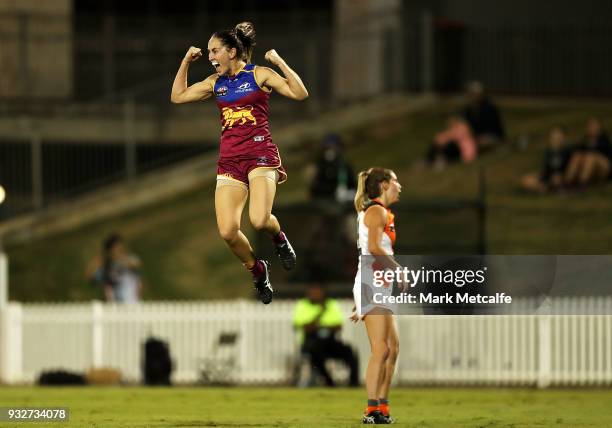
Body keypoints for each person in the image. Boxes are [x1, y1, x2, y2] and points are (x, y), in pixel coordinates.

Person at [170, 22, 308, 304]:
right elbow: (178, 96)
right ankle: (258, 270)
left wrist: (279, 61)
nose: (210, 57)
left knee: (258, 220)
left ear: (232, 51)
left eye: (215, 51)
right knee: (227, 232)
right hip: (230, 161)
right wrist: (185, 61)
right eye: (209, 52)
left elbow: (299, 92)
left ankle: (278, 237)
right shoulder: (214, 83)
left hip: (260, 156)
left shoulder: (259, 74)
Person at [351, 167, 403, 424]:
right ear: (383, 185)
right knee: (381, 349)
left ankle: (382, 406)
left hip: (376, 284)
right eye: (395, 181)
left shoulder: (379, 212)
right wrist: (398, 269)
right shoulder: (376, 211)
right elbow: (372, 248)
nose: (399, 186)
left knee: (392, 349)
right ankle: (372, 409)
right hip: (373, 283)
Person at [293, 283, 359, 387]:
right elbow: (304, 327)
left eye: (318, 293)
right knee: (316, 352)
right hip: (311, 342)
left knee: (349, 351)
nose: (316, 295)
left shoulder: (331, 304)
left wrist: (317, 326)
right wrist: (320, 314)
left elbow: (338, 326)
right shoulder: (302, 305)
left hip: (330, 342)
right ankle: (329, 382)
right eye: (313, 293)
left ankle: (353, 383)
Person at [86, 233, 142, 303]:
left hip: (133, 303)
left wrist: (115, 258)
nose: (118, 249)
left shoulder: (129, 259)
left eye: (119, 246)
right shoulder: (106, 268)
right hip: (115, 307)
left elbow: (135, 263)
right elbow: (89, 276)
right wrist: (99, 261)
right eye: (115, 247)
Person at [521, 126, 571, 193]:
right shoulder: (548, 152)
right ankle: (545, 188)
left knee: (556, 179)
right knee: (526, 180)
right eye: (553, 138)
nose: (556, 140)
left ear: (563, 139)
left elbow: (569, 168)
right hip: (547, 176)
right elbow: (545, 169)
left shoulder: (566, 151)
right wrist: (540, 176)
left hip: (559, 177)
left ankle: (547, 188)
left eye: (558, 138)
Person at [564, 117, 611, 187]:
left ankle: (582, 183)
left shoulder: (604, 140)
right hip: (588, 168)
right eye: (590, 126)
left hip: (603, 169)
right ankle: (567, 182)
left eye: (595, 126)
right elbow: (574, 152)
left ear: (600, 128)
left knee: (591, 157)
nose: (593, 128)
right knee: (577, 156)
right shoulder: (584, 141)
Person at [309, 134, 357, 202]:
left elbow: (353, 185)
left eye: (333, 148)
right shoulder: (320, 166)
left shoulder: (344, 166)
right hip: (323, 200)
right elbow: (314, 190)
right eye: (328, 148)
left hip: (343, 200)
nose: (330, 151)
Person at [462, 81, 505, 149]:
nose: (472, 96)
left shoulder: (489, 108)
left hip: (491, 136)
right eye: (471, 94)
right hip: (476, 137)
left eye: (474, 94)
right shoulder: (468, 109)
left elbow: (494, 128)